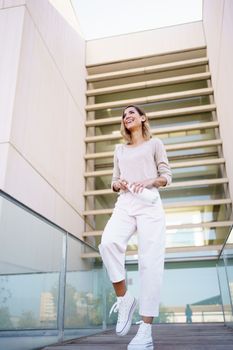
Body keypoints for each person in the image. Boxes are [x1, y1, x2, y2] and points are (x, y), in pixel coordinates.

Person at [98, 104, 172, 350]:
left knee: (150, 262)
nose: (127, 116)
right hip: (126, 202)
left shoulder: (155, 144)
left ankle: (146, 331)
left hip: (149, 202)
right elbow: (113, 181)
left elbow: (166, 176)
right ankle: (124, 299)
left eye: (132, 112)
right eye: (124, 115)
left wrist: (149, 181)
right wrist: (118, 184)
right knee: (108, 243)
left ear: (142, 118)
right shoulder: (119, 149)